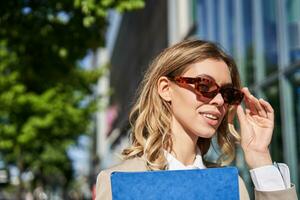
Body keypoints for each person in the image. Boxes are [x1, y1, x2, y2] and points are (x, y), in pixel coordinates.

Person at [96, 39, 298, 200]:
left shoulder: (230, 184)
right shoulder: (119, 182)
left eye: (227, 92)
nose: (219, 101)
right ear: (166, 89)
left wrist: (260, 158)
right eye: (205, 85)